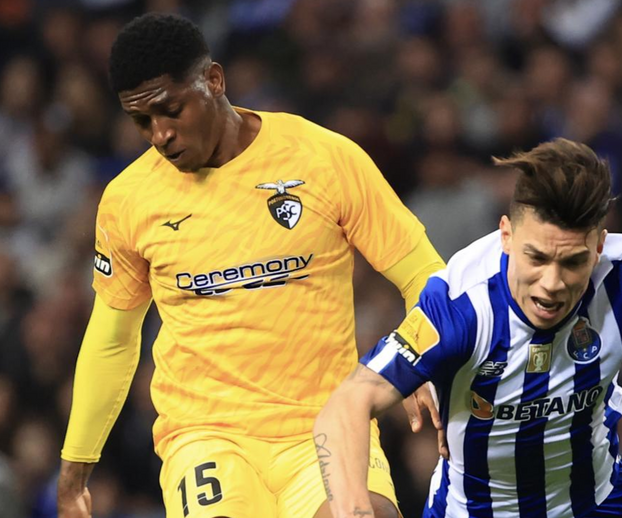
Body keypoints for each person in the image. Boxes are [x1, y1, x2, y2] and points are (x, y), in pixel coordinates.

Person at [56, 13, 446, 518]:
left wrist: (418, 360)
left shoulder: (323, 158)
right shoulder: (129, 199)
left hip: (328, 421)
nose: (159, 134)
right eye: (141, 121)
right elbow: (113, 338)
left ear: (214, 81)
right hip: (206, 436)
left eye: (170, 110)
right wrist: (75, 469)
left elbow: (424, 274)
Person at [314, 138, 622, 518]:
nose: (552, 284)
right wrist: (354, 510)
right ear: (506, 235)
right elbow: (346, 405)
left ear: (599, 246)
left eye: (572, 262)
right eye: (537, 258)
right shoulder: (462, 306)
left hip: (597, 504)